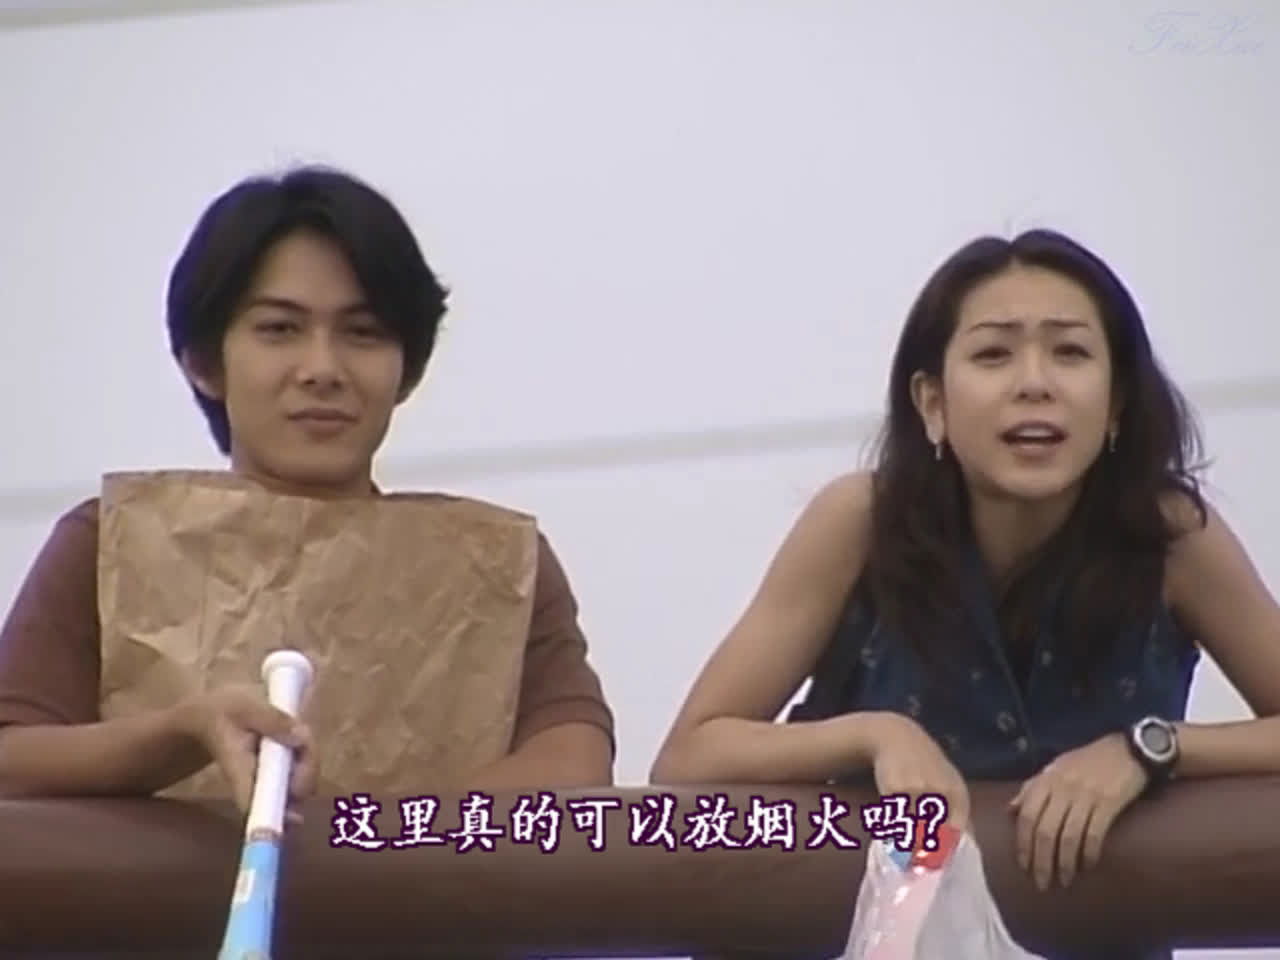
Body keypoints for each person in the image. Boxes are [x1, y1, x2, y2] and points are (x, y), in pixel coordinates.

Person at [650, 229, 1280, 956]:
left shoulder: (1172, 536)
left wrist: (1146, 750)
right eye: (993, 355)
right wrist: (879, 734)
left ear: (1116, 405)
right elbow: (690, 754)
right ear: (932, 403)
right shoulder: (859, 522)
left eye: (1070, 352)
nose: (1034, 383)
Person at [0, 166, 615, 818]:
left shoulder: (497, 566)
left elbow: (575, 759)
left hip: (413, 888)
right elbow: (12, 757)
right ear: (204, 361)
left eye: (363, 332)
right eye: (279, 329)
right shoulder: (109, 544)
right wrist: (182, 734)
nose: (323, 369)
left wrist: (363, 839)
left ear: (406, 371)